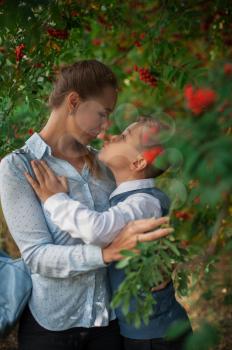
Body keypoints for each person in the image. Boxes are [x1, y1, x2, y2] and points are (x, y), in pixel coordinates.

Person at [0, 60, 173, 350]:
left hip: (110, 323)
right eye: (102, 114)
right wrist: (103, 255)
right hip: (51, 327)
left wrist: (158, 262)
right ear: (74, 101)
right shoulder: (19, 167)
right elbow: (37, 257)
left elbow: (137, 217)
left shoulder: (108, 165)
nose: (106, 126)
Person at [25, 117, 192, 350]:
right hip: (144, 331)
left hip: (156, 335)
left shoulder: (143, 203)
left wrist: (55, 199)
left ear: (138, 162)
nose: (112, 137)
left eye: (123, 137)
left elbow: (97, 229)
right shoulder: (131, 197)